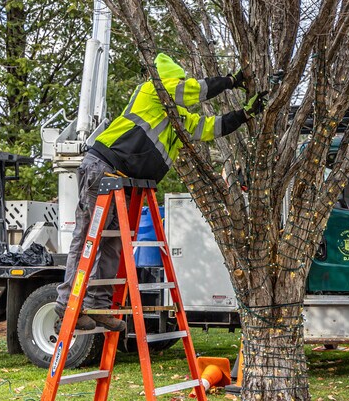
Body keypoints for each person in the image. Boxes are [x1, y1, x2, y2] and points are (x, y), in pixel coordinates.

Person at [56, 53, 264, 331]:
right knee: (88, 242)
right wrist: (231, 81)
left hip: (124, 181)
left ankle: (98, 304)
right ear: (169, 80)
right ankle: (67, 302)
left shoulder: (178, 120)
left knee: (112, 245)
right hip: (103, 169)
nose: (184, 87)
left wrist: (244, 114)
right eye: (180, 82)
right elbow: (193, 91)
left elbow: (208, 127)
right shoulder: (152, 89)